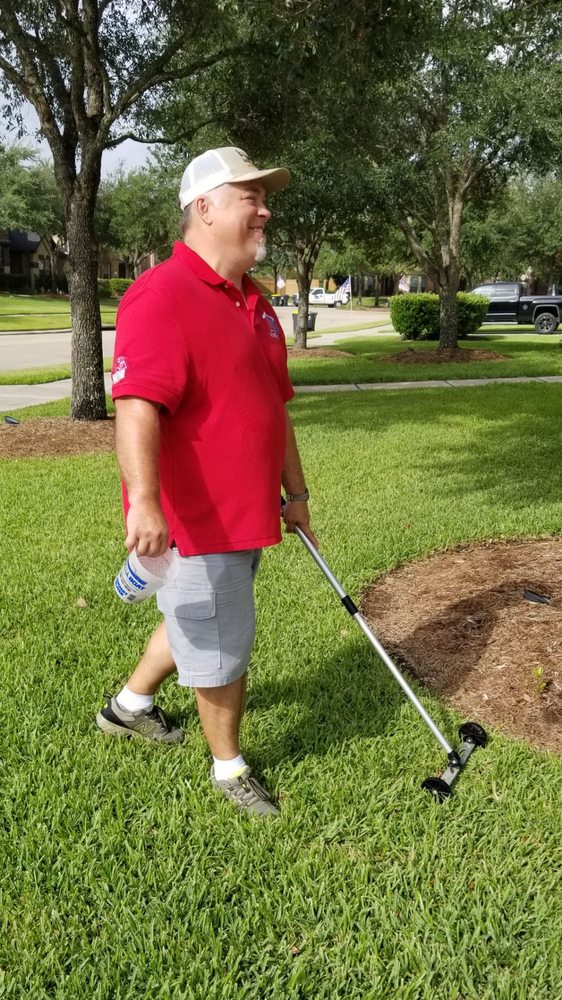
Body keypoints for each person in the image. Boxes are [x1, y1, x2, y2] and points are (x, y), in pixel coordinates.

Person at [96, 147, 317, 817]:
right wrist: (146, 502)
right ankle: (230, 769)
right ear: (204, 208)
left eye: (262, 196)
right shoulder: (162, 293)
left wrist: (297, 493)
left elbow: (273, 408)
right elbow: (136, 405)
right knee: (220, 640)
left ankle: (129, 707)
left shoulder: (256, 302)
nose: (264, 207)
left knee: (195, 617)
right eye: (250, 196)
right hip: (198, 517)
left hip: (245, 511)